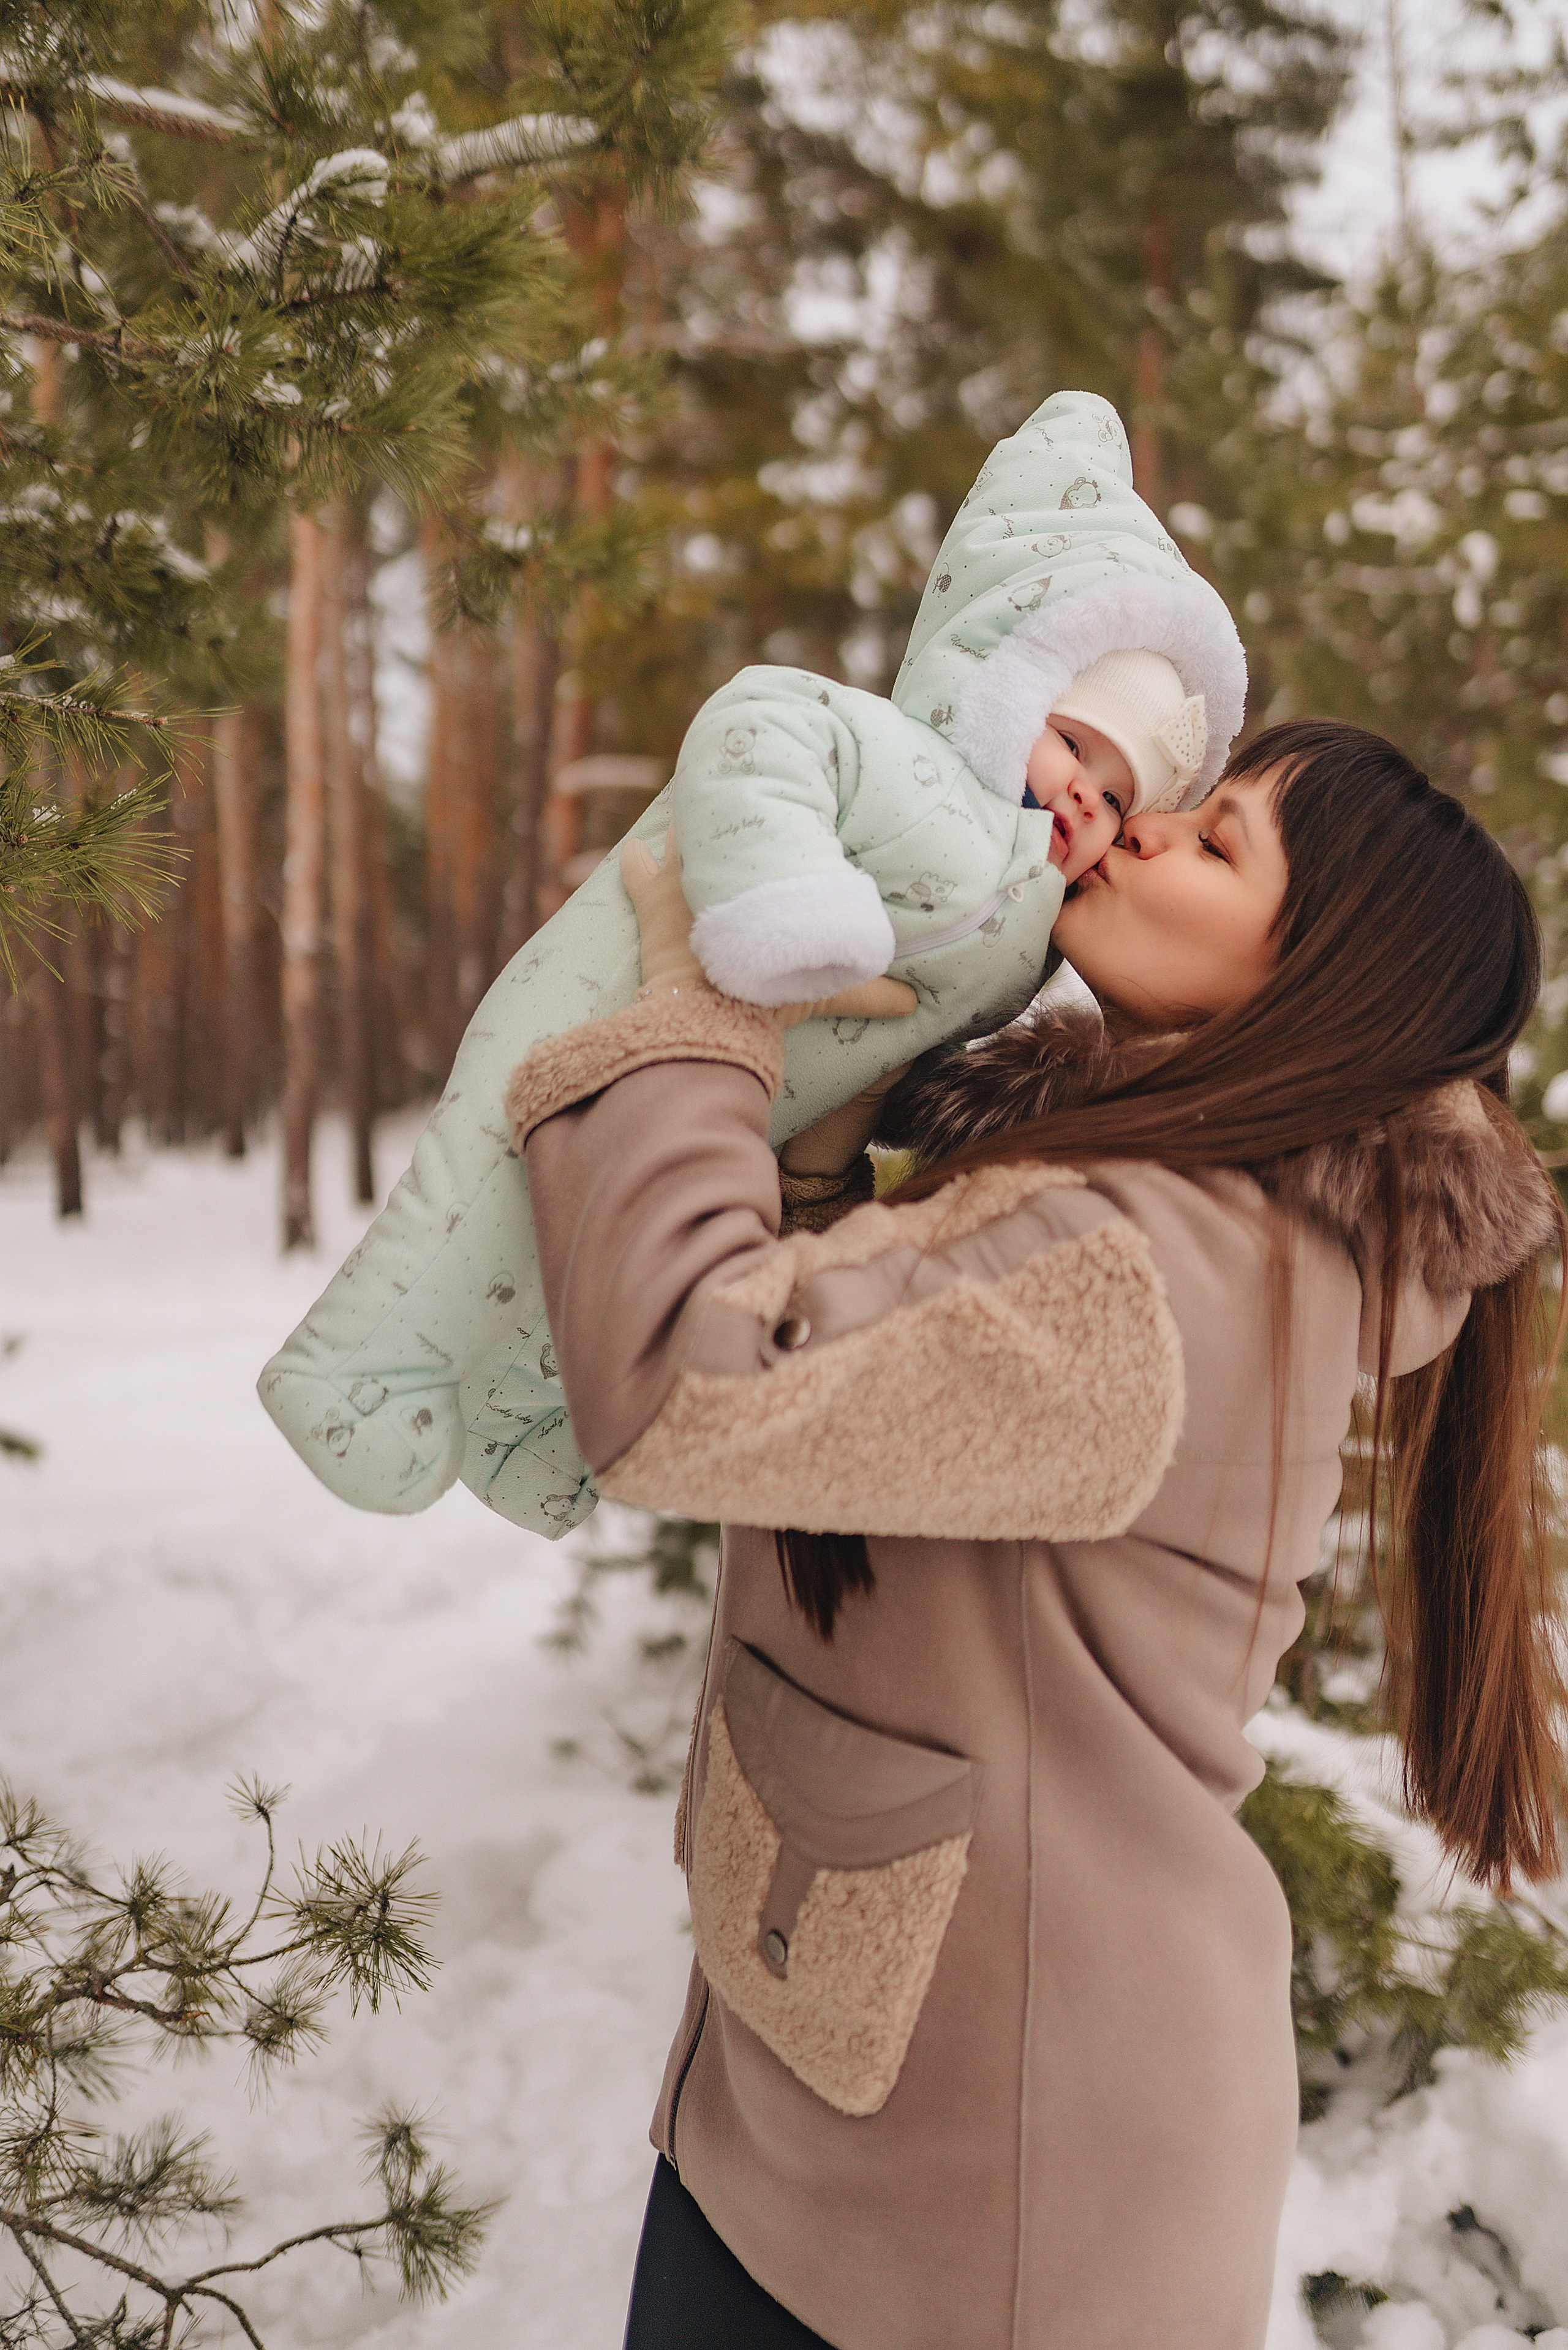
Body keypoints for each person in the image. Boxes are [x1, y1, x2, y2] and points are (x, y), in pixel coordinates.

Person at [505, 718, 1565, 2350]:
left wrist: (696, 1035)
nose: (1144, 830)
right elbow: (848, 1394)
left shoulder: (1149, 1256)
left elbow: (685, 1383)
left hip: (995, 2205)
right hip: (870, 2091)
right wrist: (801, 1137)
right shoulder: (1178, 1194)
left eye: (1219, 847)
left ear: (1329, 984)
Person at [257, 389, 1243, 1545]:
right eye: (1073, 741)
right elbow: (760, 723)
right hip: (622, 982)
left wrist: (826, 1166)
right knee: (479, 1184)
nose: (1086, 790)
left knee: (559, 1257)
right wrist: (780, 902)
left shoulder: (1032, 932)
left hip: (749, 1087)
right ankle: (345, 1367)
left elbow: (904, 1037)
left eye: (1118, 792)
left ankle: (528, 1446)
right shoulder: (902, 756)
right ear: (1010, 682)